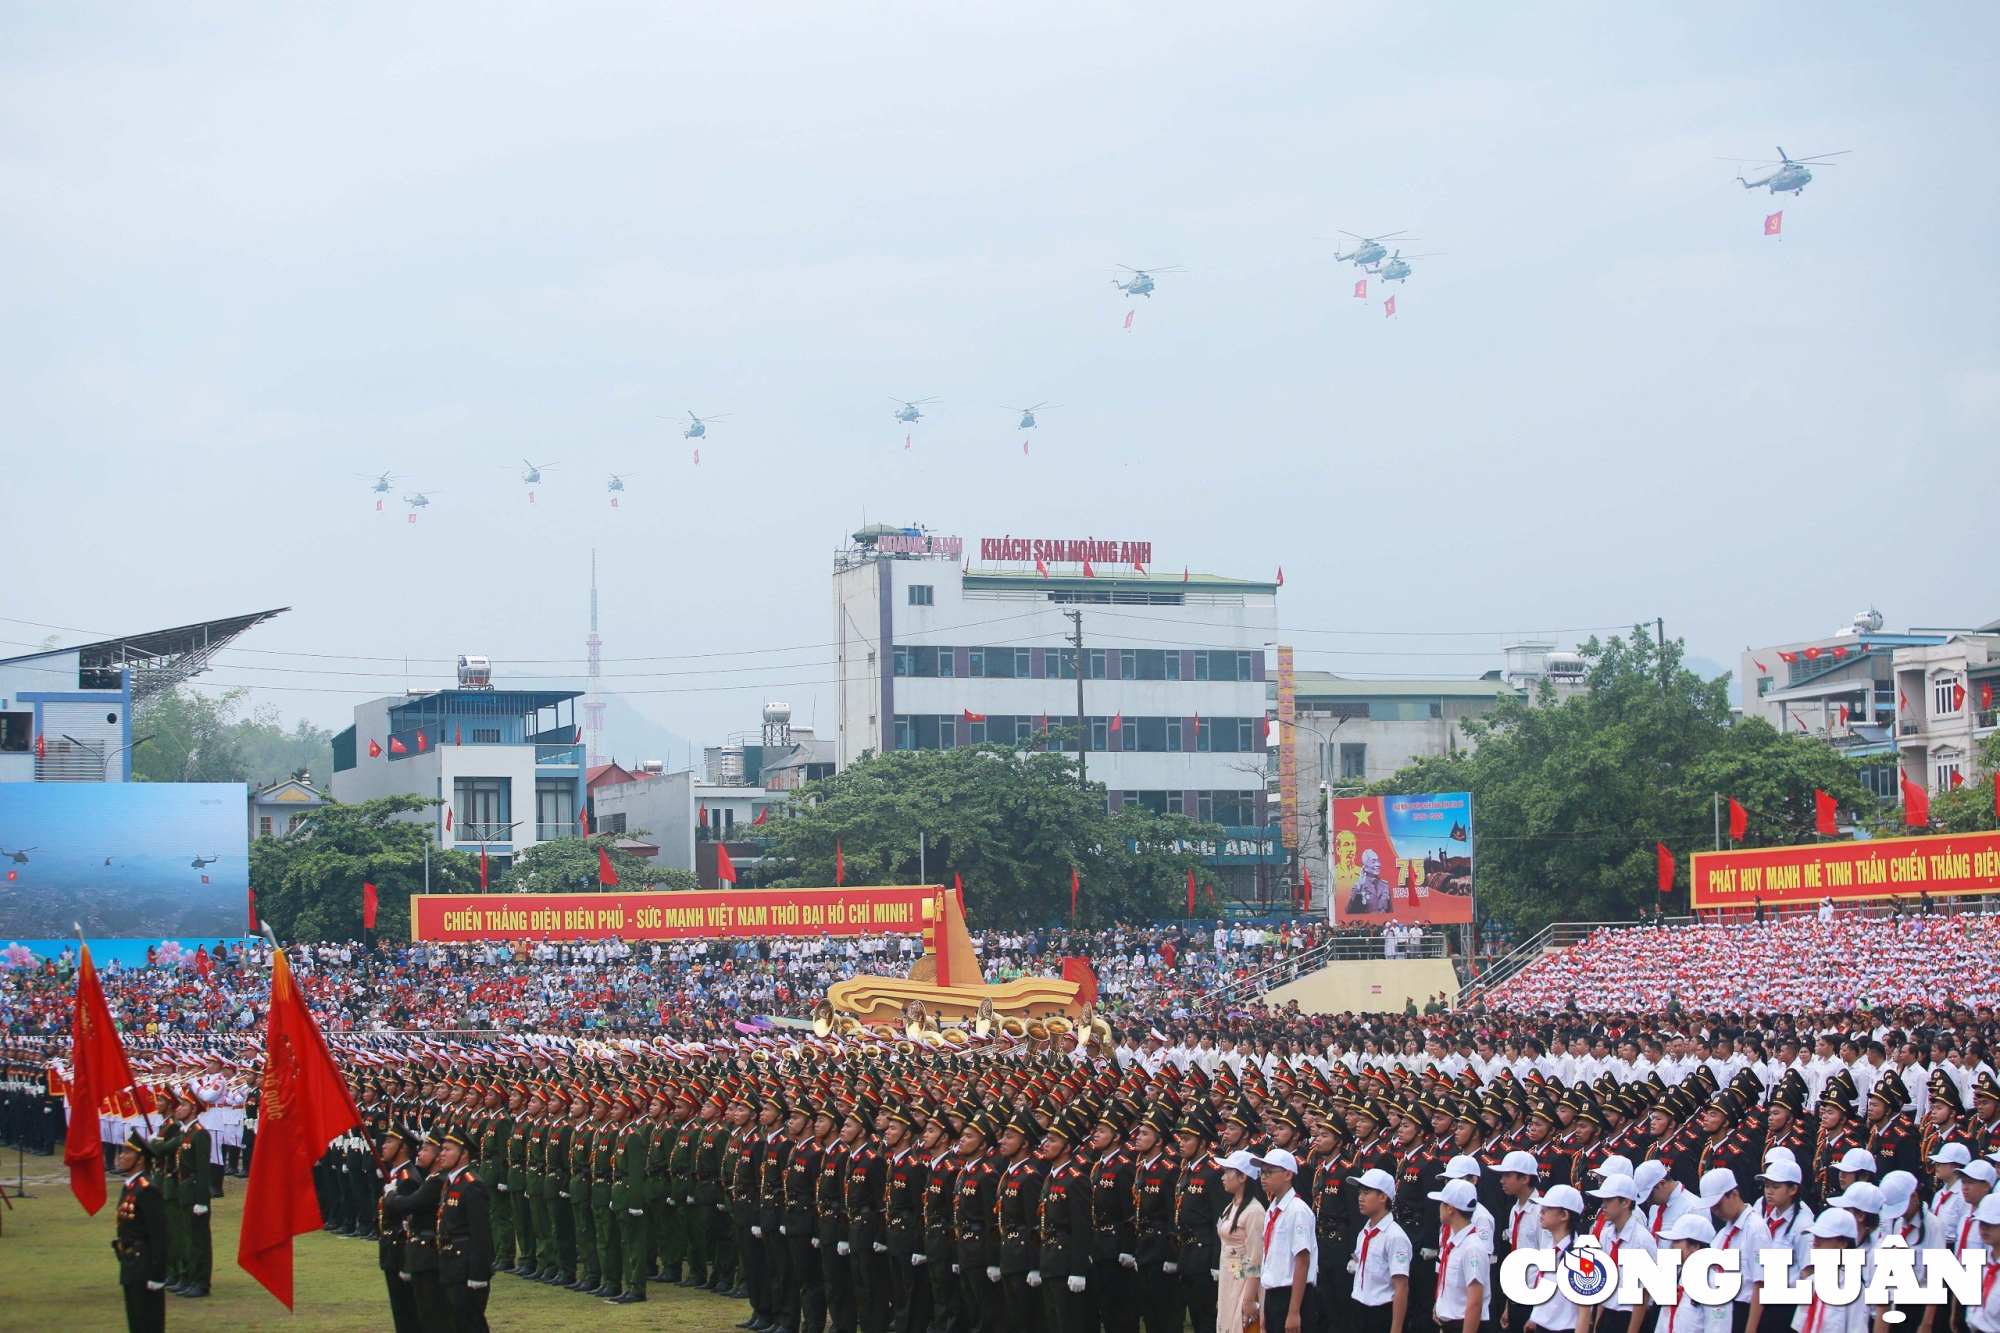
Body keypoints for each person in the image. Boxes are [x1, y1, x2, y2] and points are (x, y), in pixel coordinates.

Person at [436, 1128, 494, 1333]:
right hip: (451, 1263)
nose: (441, 1154)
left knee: (471, 1324)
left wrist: (478, 1273)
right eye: (441, 1149)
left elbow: (481, 1232)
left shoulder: (472, 1185)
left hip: (465, 1265)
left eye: (447, 1149)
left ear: (464, 1154)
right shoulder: (452, 1182)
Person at [1254, 1149, 1318, 1333]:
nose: (1263, 1178)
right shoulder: (1272, 1211)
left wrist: (1293, 1311)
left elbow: (1302, 1260)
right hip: (1273, 1294)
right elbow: (1269, 1261)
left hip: (1292, 1294)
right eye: (1262, 1173)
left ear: (1288, 1174)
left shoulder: (1297, 1211)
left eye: (1269, 1172)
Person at [113, 1129, 170, 1333]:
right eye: (122, 1151)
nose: (121, 1156)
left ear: (140, 1159)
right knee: (135, 1321)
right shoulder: (130, 1187)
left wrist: (157, 1275)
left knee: (148, 1323)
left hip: (144, 1264)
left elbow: (158, 1236)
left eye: (127, 1152)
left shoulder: (147, 1190)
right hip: (130, 1263)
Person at [1351, 1166, 1410, 1333]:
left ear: (1383, 1197)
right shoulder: (1364, 1232)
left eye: (1367, 1193)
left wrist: (1396, 1329)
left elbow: (1401, 1286)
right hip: (1360, 1307)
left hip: (1382, 1312)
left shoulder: (1394, 1236)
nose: (1360, 1198)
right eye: (1360, 1193)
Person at [1428, 1179, 1491, 1333]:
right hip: (1449, 1325)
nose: (1439, 1208)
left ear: (1450, 1209)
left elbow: (1475, 1303)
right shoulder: (1454, 1242)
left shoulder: (1472, 1249)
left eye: (1441, 1203)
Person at [1214, 1149, 1267, 1333]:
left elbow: (1256, 1258)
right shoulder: (1231, 1206)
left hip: (1246, 1281)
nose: (1223, 1177)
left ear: (1243, 1177)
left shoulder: (1254, 1212)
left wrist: (1249, 1298)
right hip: (1233, 1274)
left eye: (1228, 1172)